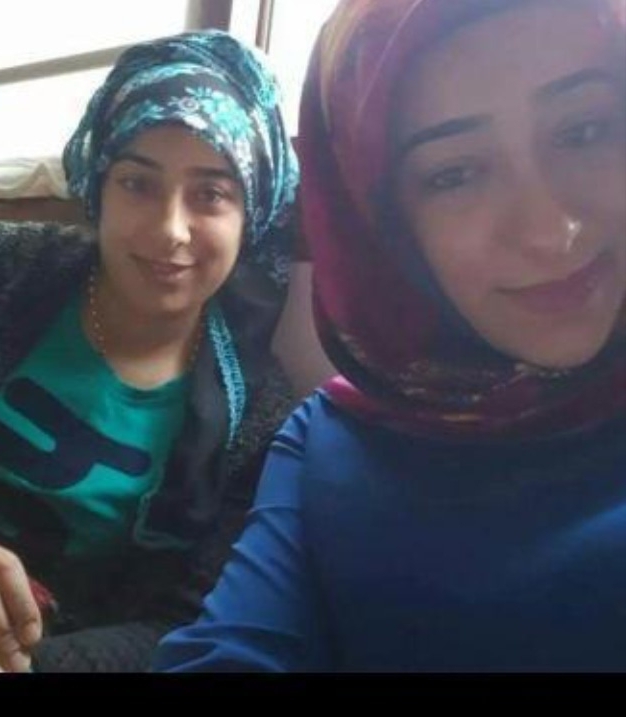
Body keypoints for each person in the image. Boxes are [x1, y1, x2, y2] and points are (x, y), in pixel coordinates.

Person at [153, 0, 626, 671]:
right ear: (381, 225)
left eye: (584, 131)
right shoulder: (328, 441)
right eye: (454, 174)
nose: (551, 231)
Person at [0, 29, 299, 672]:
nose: (171, 230)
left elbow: (182, 623)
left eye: (211, 194)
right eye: (138, 184)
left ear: (250, 215)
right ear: (98, 187)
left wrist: (11, 662)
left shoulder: (260, 421)